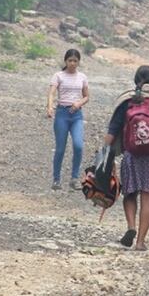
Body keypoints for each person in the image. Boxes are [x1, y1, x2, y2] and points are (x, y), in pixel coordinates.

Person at [104, 65, 149, 251]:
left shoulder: (127, 99)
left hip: (131, 154)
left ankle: (131, 227)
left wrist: (103, 155)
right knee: (147, 198)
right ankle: (141, 242)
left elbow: (113, 129)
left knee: (130, 193)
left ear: (136, 80)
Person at [46, 49, 89, 190]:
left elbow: (87, 96)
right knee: (60, 149)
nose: (72, 63)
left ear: (78, 62)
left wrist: (79, 103)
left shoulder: (82, 77)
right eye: (70, 60)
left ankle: (74, 178)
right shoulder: (58, 76)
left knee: (78, 145)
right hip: (62, 114)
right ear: (65, 61)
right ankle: (56, 179)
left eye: (75, 61)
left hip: (76, 115)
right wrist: (50, 106)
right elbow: (52, 92)